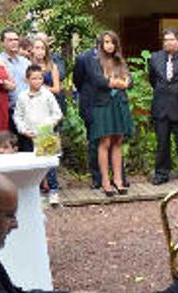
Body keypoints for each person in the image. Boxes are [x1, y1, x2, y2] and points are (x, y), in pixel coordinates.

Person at [89, 31, 133, 197]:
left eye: (112, 42)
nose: (109, 45)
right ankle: (105, 182)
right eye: (106, 42)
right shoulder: (95, 61)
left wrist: (123, 83)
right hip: (103, 104)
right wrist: (115, 83)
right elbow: (98, 81)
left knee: (118, 140)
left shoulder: (119, 60)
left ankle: (118, 180)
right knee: (105, 141)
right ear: (101, 44)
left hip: (119, 103)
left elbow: (130, 81)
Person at [149, 28, 178, 185]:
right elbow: (153, 80)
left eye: (171, 39)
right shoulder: (154, 58)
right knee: (162, 143)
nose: (168, 42)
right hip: (161, 107)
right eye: (166, 40)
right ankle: (161, 173)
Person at [11, 66, 63, 180]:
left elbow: (57, 113)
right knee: (31, 165)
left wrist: (46, 126)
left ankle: (52, 190)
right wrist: (23, 130)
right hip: (29, 136)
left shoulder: (48, 94)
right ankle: (36, 190)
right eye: (34, 78)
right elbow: (17, 116)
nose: (37, 81)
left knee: (49, 166)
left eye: (40, 78)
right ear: (27, 79)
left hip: (46, 135)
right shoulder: (22, 96)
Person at [72, 35, 106, 188]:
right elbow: (77, 81)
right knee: (95, 142)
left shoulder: (114, 58)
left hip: (109, 106)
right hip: (91, 104)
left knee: (112, 141)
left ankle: (116, 176)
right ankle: (97, 178)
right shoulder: (83, 58)